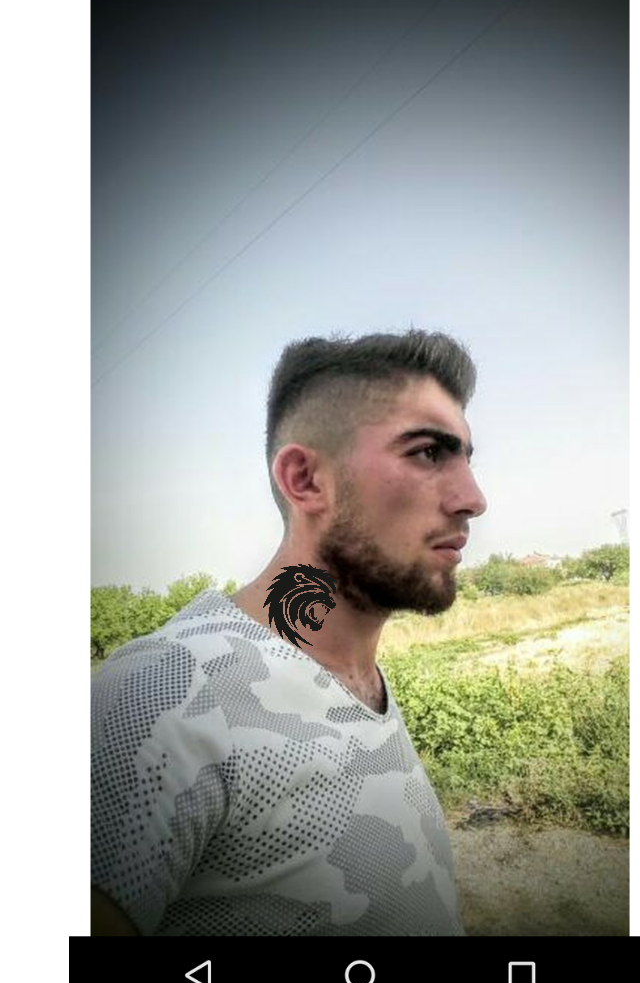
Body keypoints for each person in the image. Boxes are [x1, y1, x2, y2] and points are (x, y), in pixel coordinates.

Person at [91, 329, 487, 936]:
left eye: (465, 458)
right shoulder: (160, 697)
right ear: (305, 480)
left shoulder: (357, 678)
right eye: (428, 452)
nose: (473, 499)